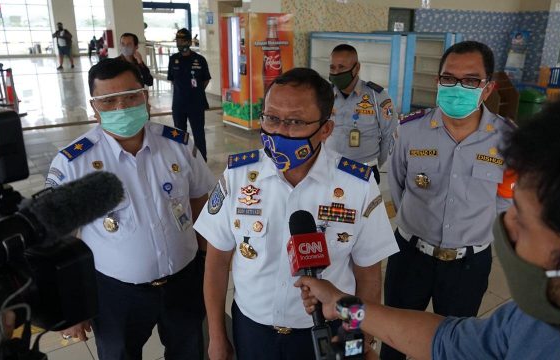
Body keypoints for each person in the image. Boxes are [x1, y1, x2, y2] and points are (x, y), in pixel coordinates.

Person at [298, 82, 560, 360]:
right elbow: (446, 342)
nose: (505, 227)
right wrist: (342, 305)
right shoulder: (536, 322)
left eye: (524, 224)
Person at [193, 67, 399, 360]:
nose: (278, 131)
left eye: (295, 122)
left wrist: (361, 338)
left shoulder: (357, 185)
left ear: (326, 129)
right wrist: (216, 335)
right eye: (272, 118)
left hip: (328, 330)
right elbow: (216, 261)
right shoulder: (238, 176)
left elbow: (368, 274)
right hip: (253, 329)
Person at [45, 58, 215, 360]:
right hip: (114, 292)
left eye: (131, 96)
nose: (122, 107)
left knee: (189, 350)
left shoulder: (178, 144)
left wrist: (205, 262)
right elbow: (58, 241)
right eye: (109, 101)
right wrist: (71, 306)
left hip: (184, 280)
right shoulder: (73, 163)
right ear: (94, 107)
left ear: (145, 95)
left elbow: (200, 199)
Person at [382, 41, 516, 359]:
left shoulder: (509, 139)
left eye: (470, 80)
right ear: (437, 81)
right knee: (394, 339)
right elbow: (398, 186)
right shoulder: (410, 131)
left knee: (455, 347)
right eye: (448, 78)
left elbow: (506, 200)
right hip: (409, 255)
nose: (457, 87)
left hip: (468, 264)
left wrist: (474, 224)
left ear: (487, 89)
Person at [326, 44, 397, 184]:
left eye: (342, 67)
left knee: (364, 206)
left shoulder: (377, 96)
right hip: (330, 167)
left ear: (357, 68)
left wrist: (374, 164)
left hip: (364, 169)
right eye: (332, 67)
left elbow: (390, 135)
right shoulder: (324, 95)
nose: (336, 72)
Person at [168, 28, 211, 162]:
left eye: (182, 41)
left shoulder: (200, 59)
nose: (179, 43)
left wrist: (194, 91)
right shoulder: (173, 59)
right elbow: (173, 80)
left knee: (198, 134)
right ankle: (182, 159)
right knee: (179, 133)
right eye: (178, 41)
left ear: (188, 41)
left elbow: (205, 80)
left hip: (196, 103)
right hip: (179, 104)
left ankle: (202, 161)